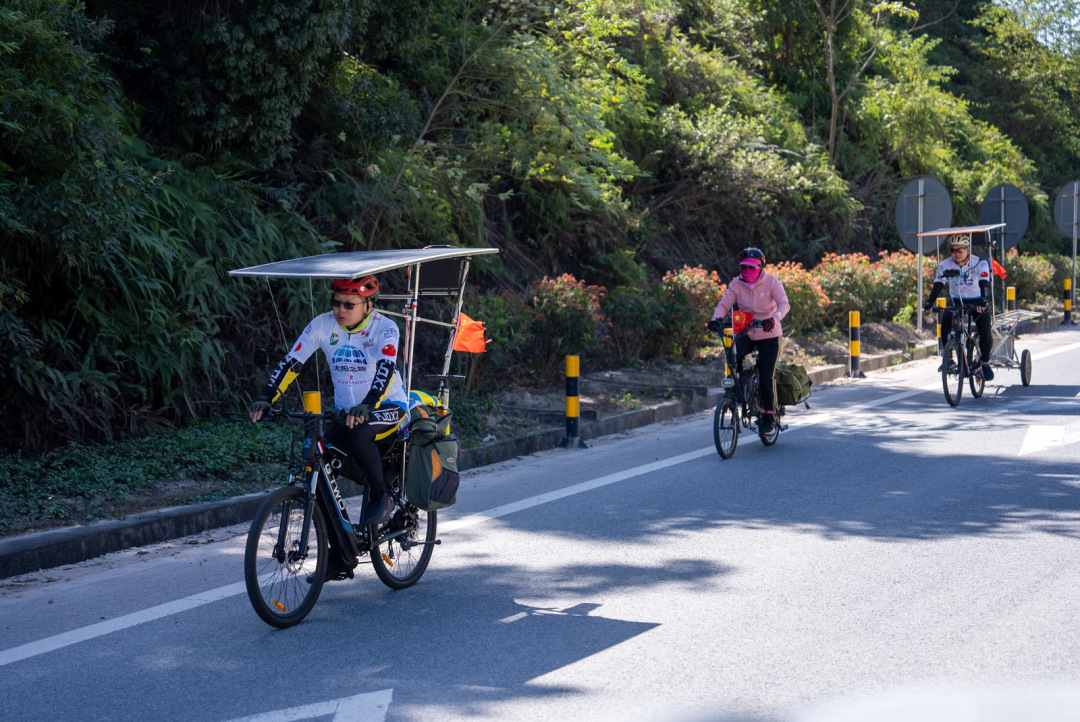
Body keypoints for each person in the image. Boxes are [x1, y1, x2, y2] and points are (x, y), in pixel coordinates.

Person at [248, 275, 409, 527]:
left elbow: (386, 368)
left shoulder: (385, 327)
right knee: (320, 461)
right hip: (346, 411)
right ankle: (336, 557)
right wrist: (266, 396)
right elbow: (293, 362)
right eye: (336, 302)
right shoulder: (322, 324)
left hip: (387, 405)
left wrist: (369, 402)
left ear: (368, 305)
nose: (340, 310)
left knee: (358, 435)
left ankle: (381, 493)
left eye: (349, 304)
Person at [707, 247, 791, 434]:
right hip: (745, 332)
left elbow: (784, 304)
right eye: (744, 267)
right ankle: (739, 395)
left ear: (761, 267)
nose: (747, 270)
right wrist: (715, 320)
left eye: (752, 267)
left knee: (766, 377)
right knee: (735, 363)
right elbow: (724, 304)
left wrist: (774, 319)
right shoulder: (736, 284)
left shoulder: (772, 282)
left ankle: (769, 415)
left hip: (769, 335)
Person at [922, 233, 995, 381]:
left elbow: (984, 283)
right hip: (957, 300)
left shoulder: (979, 263)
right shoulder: (945, 265)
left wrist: (984, 300)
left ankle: (985, 362)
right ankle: (948, 359)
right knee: (945, 324)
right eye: (953, 250)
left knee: (985, 330)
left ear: (967, 249)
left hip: (977, 300)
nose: (956, 254)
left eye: (960, 250)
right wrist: (930, 302)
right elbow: (938, 284)